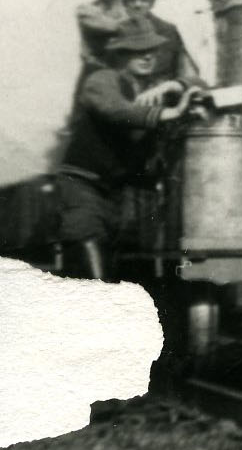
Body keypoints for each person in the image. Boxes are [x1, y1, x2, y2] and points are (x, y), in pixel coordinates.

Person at [56, 16, 198, 280]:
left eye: (151, 50)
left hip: (115, 192)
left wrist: (176, 84)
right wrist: (166, 113)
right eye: (137, 52)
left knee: (116, 268)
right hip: (82, 186)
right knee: (89, 256)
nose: (147, 57)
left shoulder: (154, 89)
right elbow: (115, 110)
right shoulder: (101, 79)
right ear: (120, 55)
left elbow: (200, 84)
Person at [116, 0, 206, 98]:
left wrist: (170, 87)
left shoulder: (168, 31)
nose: (137, 4)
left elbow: (187, 73)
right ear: (124, 3)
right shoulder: (116, 32)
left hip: (163, 100)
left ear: (152, 3)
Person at [74, 0, 129, 95]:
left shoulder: (128, 6)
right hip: (96, 72)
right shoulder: (87, 10)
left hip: (125, 72)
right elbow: (114, 27)